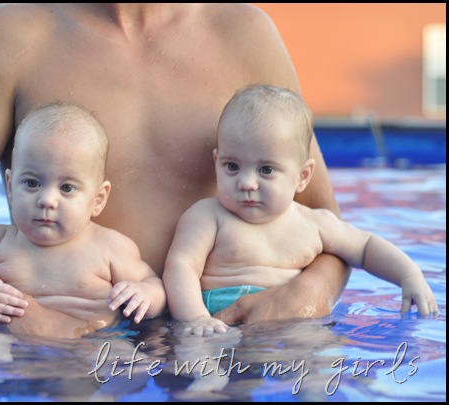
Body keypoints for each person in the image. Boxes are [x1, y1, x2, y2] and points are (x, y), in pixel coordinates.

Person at [0, 4, 350, 338]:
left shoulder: (245, 33)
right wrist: (25, 316)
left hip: (229, 335)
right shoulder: (7, 38)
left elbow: (326, 224)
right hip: (59, 349)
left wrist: (306, 295)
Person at [163, 84, 439, 336]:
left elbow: (366, 247)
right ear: (217, 162)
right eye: (232, 166)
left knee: (321, 351)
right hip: (219, 327)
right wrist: (196, 318)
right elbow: (181, 266)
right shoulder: (207, 217)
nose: (246, 182)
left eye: (266, 169)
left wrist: (409, 276)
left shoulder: (314, 224)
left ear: (302, 176)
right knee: (202, 363)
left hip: (291, 329)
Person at [0, 103, 166, 335]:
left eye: (67, 188)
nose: (47, 200)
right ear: (10, 187)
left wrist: (144, 293)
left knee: (124, 358)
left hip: (94, 342)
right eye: (31, 183)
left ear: (98, 199)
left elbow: (154, 286)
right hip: (9, 341)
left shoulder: (110, 248)